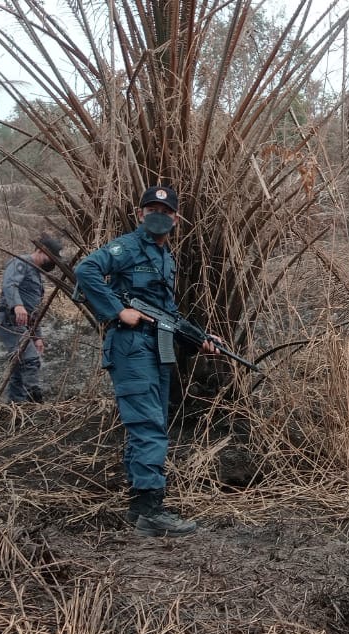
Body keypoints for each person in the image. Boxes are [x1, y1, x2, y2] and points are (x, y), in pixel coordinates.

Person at [74, 185, 217, 537]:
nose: (159, 215)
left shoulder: (167, 257)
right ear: (140, 214)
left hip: (156, 349)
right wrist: (118, 310)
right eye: (151, 208)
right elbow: (86, 270)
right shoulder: (127, 247)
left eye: (166, 211)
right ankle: (152, 512)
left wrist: (200, 339)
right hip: (132, 349)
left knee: (150, 426)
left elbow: (167, 314)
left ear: (176, 219)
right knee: (149, 426)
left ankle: (141, 508)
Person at [0, 234, 62, 403]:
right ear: (40, 251)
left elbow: (32, 311)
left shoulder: (37, 275)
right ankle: (35, 401)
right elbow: (10, 284)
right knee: (30, 359)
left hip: (23, 325)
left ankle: (16, 406)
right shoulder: (21, 262)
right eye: (51, 257)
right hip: (9, 321)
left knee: (19, 367)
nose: (52, 262)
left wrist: (37, 336)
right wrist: (16, 305)